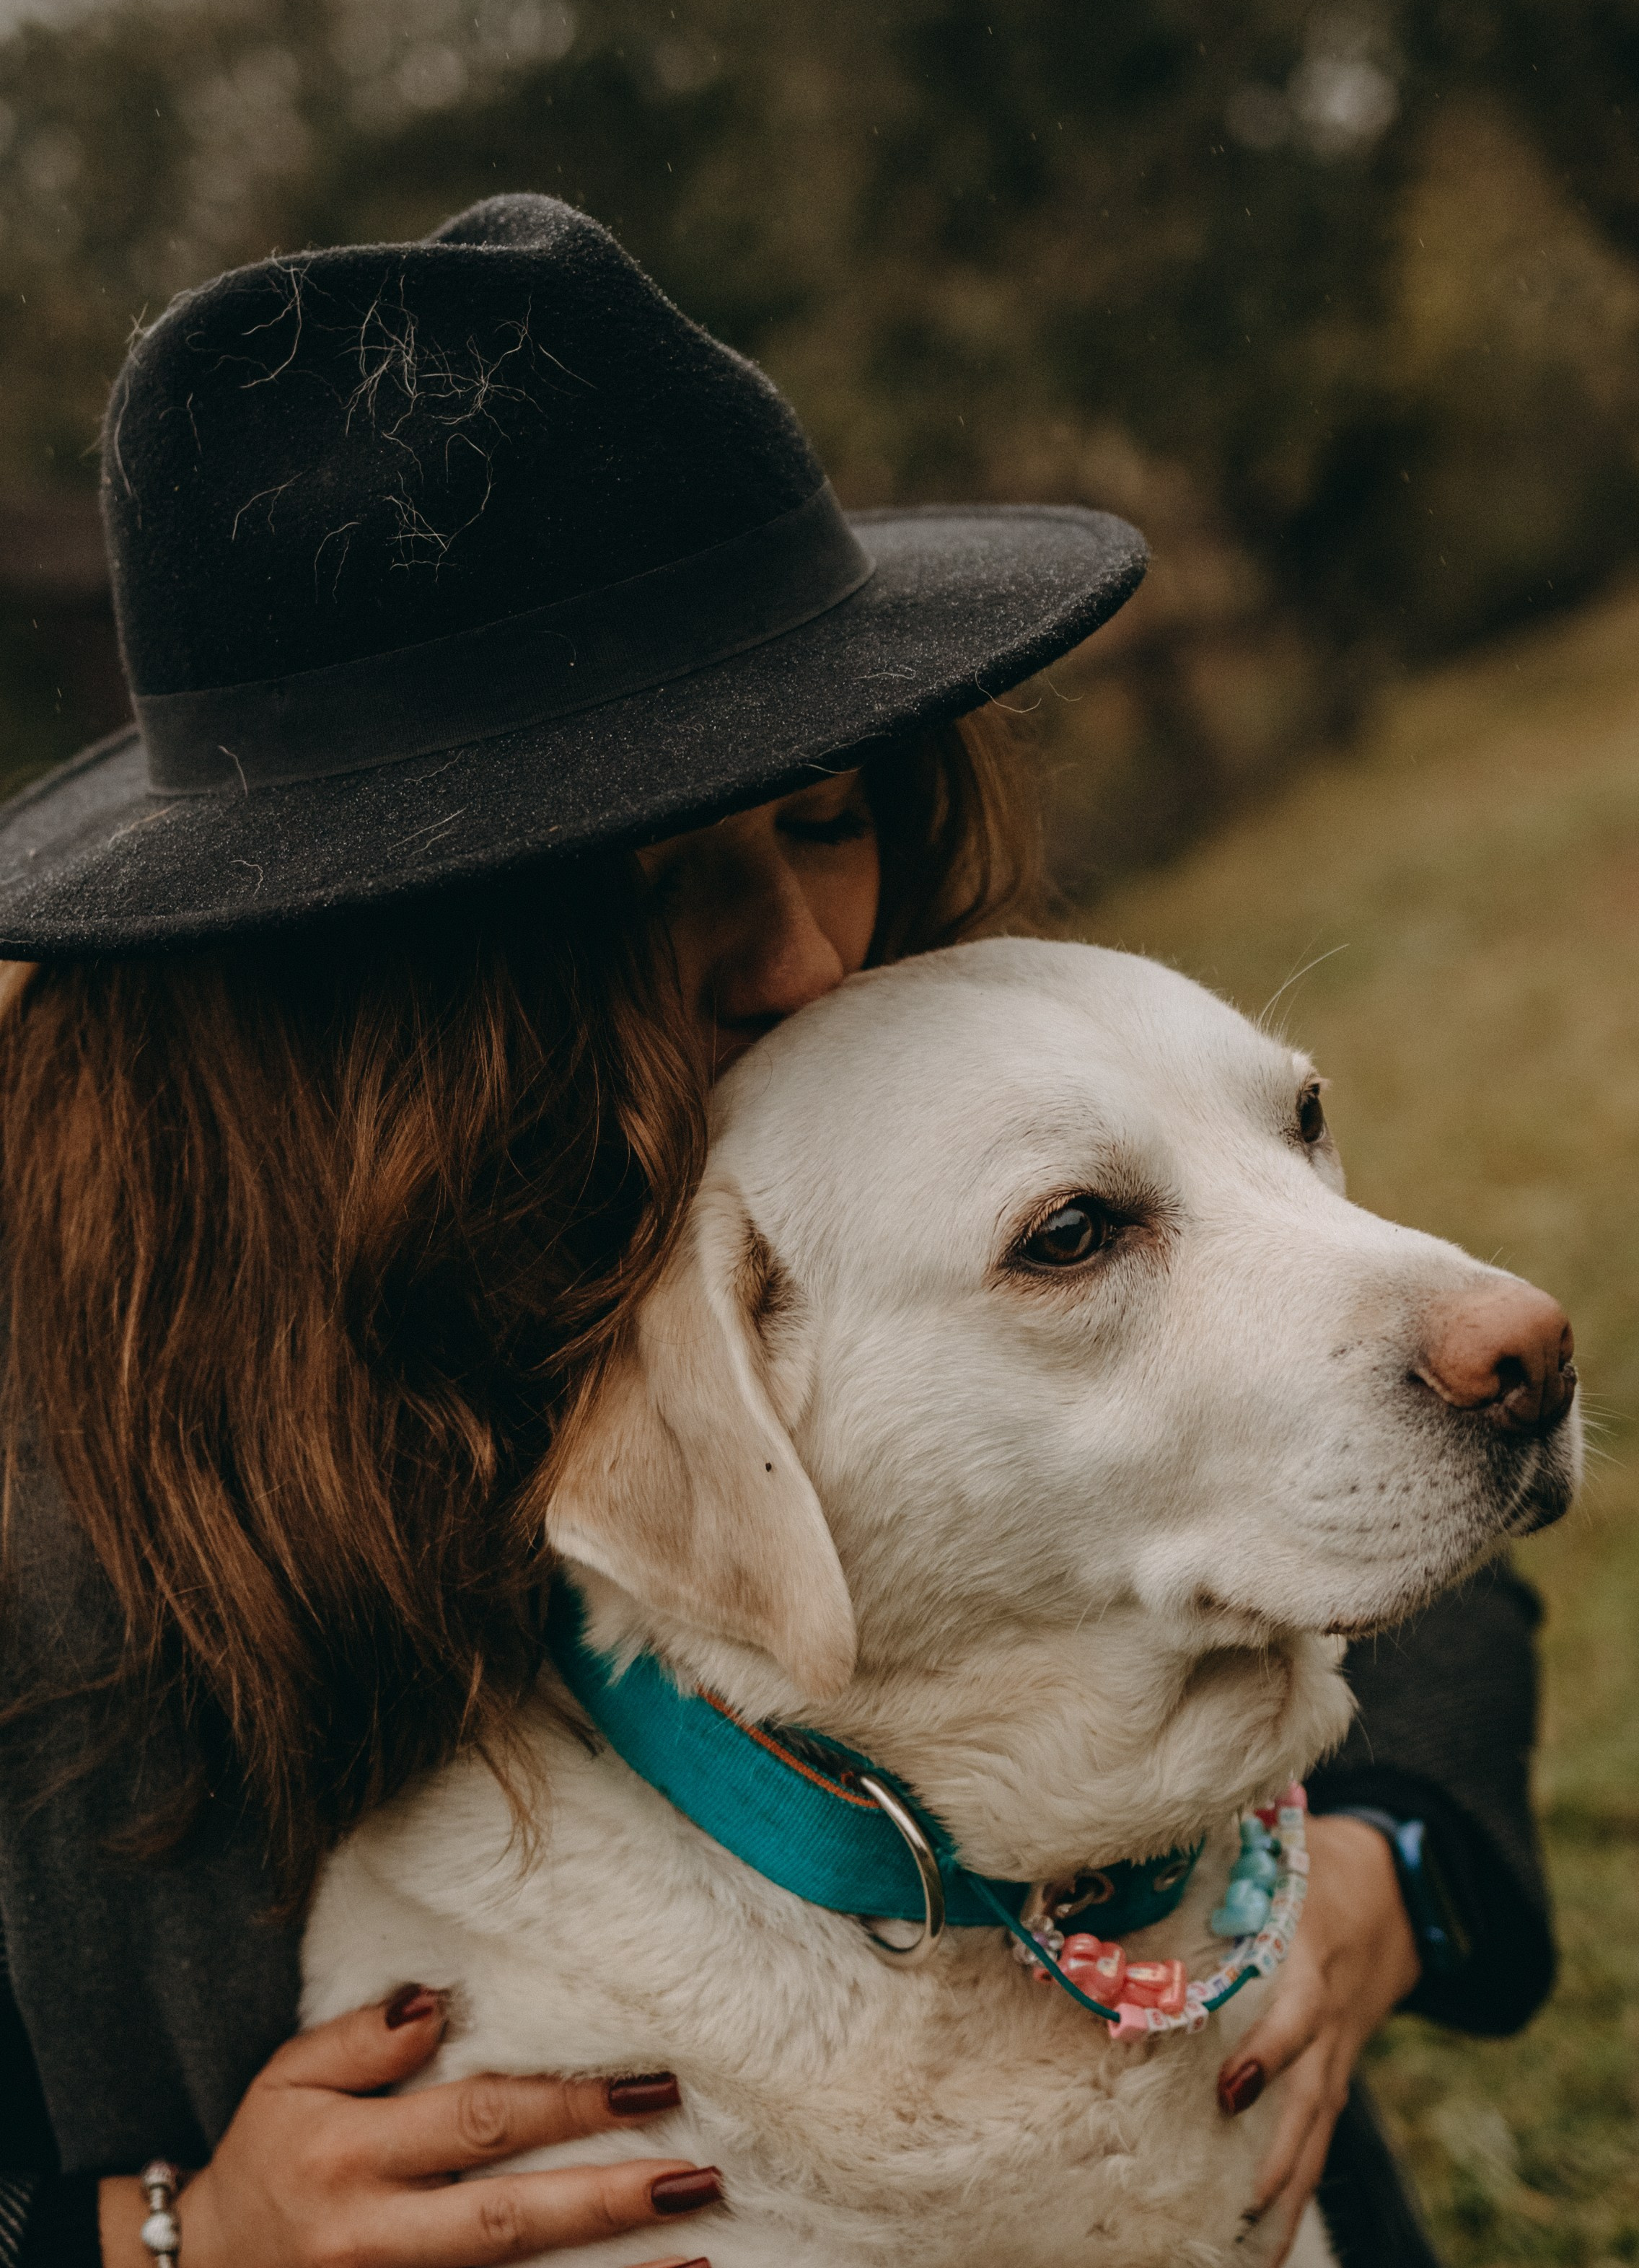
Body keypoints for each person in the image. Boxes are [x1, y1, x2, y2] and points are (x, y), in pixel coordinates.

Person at [0, 195, 1551, 2268]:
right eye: (630, 888)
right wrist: (143, 2235)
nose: (809, 955)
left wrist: (1388, 1860)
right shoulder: (60, 1473)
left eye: (828, 814)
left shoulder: (906, 1084)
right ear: (351, 981)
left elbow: (1325, 1464)